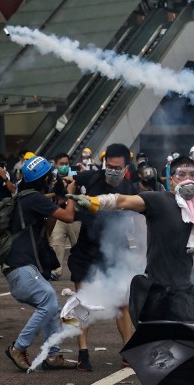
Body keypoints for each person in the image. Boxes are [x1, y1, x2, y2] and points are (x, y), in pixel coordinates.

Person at [68, 155, 194, 385]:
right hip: (158, 289)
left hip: (183, 287)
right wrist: (95, 201)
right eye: (182, 174)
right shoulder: (159, 200)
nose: (189, 179)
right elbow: (125, 201)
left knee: (185, 343)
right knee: (167, 345)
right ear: (171, 179)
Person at [67, 143, 138, 372]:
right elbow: (71, 185)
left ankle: (128, 351)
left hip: (116, 250)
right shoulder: (90, 177)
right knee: (82, 301)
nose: (112, 170)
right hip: (86, 248)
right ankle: (83, 353)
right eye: (109, 165)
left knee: (122, 303)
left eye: (117, 167)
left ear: (126, 166)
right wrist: (71, 197)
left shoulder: (130, 188)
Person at [3, 156, 78, 371]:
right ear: (44, 179)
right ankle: (18, 347)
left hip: (20, 268)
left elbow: (48, 226)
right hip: (21, 268)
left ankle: (53, 356)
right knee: (49, 302)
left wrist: (55, 202)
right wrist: (70, 193)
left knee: (52, 306)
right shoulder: (34, 198)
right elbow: (69, 217)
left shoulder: (26, 197)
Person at [49, 153, 81, 281]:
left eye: (66, 164)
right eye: (61, 164)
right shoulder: (51, 178)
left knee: (79, 246)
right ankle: (55, 271)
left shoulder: (76, 177)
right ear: (56, 165)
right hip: (58, 216)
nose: (64, 166)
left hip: (75, 217)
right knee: (56, 243)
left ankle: (81, 270)